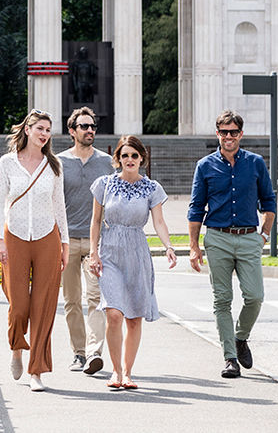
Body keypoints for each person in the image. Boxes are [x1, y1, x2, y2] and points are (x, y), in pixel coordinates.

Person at [187, 110, 277, 380]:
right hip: (217, 237)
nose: (229, 136)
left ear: (241, 134)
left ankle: (240, 338)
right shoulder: (205, 166)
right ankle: (229, 358)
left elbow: (269, 201)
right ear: (217, 133)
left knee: (255, 296)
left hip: (249, 237)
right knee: (222, 300)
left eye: (233, 132)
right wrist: (193, 246)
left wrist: (264, 235)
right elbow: (195, 208)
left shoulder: (255, 163)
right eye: (224, 132)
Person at [87, 136, 177, 390]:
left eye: (134, 156)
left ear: (141, 159)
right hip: (110, 252)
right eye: (125, 155)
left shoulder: (152, 188)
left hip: (137, 252)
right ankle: (115, 372)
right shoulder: (104, 185)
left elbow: (159, 222)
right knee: (114, 313)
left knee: (134, 317)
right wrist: (94, 252)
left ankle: (127, 373)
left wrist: (168, 246)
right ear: (118, 158)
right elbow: (95, 222)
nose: (129, 160)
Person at [0, 109, 70, 392]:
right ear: (27, 129)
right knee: (20, 304)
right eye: (40, 128)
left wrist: (65, 244)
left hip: (48, 237)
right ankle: (16, 347)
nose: (45, 134)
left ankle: (37, 369)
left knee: (43, 306)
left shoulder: (54, 165)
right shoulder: (7, 163)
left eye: (48, 130)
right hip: (14, 236)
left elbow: (59, 206)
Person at [57, 107, 115, 376]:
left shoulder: (106, 162)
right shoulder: (57, 162)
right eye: (84, 126)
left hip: (96, 243)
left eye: (92, 126)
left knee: (95, 298)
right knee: (71, 301)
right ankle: (78, 353)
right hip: (66, 242)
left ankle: (94, 352)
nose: (90, 130)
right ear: (72, 131)